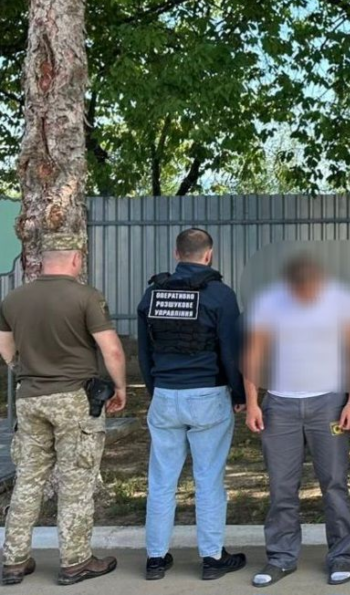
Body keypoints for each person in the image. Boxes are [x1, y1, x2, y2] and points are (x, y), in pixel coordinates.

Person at [0, 233, 127, 586]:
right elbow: (112, 349)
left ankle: (13, 560)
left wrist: (21, 368)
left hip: (30, 398)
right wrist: (119, 387)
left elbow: (5, 345)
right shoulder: (86, 297)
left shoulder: (13, 298)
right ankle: (75, 561)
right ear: (75, 259)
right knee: (76, 481)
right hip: (73, 398)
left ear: (42, 261)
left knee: (28, 479)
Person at [243, 254, 350, 587]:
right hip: (279, 407)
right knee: (281, 487)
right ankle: (281, 557)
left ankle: (340, 555)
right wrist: (252, 403)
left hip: (328, 404)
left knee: (334, 483)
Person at [136, 228, 247, 581]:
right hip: (207, 396)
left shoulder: (153, 293)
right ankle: (212, 558)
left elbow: (144, 352)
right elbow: (231, 352)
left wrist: (156, 389)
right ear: (209, 255)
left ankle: (155, 558)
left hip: (165, 394)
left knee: (161, 480)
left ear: (176, 253)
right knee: (209, 479)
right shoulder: (220, 295)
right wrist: (240, 394)